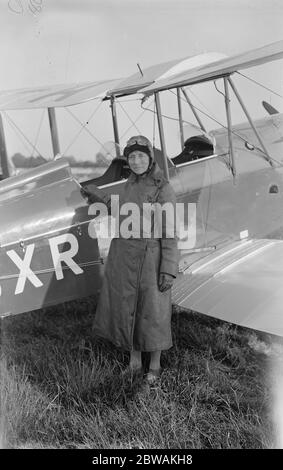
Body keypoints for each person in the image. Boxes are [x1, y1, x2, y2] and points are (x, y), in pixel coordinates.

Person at [83, 135, 178, 384]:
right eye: (131, 156)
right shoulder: (130, 183)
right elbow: (126, 211)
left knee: (153, 311)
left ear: (149, 158)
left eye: (140, 156)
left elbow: (169, 231)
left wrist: (168, 268)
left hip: (151, 258)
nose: (135, 161)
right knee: (129, 309)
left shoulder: (162, 187)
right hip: (125, 254)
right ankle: (134, 362)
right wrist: (101, 200)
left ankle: (154, 366)